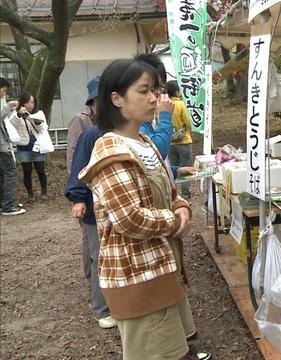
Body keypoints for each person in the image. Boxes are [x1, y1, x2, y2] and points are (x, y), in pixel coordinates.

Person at [79, 57, 209, 360]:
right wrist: (175, 221)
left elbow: (170, 191)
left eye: (155, 90)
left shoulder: (143, 142)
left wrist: (182, 207)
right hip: (136, 277)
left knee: (177, 348)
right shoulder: (110, 151)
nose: (154, 98)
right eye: (144, 91)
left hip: (159, 269)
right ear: (116, 98)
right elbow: (130, 218)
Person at [67, 75, 100, 284]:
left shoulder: (111, 120)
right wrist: (77, 195)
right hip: (85, 188)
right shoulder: (81, 120)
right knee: (89, 236)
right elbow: (73, 155)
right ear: (92, 101)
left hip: (102, 189)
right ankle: (91, 278)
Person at [11, 92, 48, 202]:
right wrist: (19, 114)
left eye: (32, 102)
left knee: (40, 169)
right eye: (27, 102)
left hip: (37, 145)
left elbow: (44, 127)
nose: (30, 105)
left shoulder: (39, 113)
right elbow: (12, 124)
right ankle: (30, 193)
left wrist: (32, 118)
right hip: (23, 146)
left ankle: (44, 191)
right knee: (27, 171)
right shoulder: (16, 114)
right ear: (22, 102)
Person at [0, 77, 25, 216]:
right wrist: (9, 107)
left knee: (3, 175)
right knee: (11, 174)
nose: (4, 94)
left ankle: (4, 203)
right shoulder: (4, 104)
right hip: (2, 147)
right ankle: (8, 206)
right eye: (3, 90)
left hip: (3, 145)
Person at [167, 80, 193, 199]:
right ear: (177, 92)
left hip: (170, 143)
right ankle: (185, 195)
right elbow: (187, 123)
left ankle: (174, 196)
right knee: (186, 168)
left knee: (173, 169)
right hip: (184, 142)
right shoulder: (180, 104)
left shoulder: (163, 105)